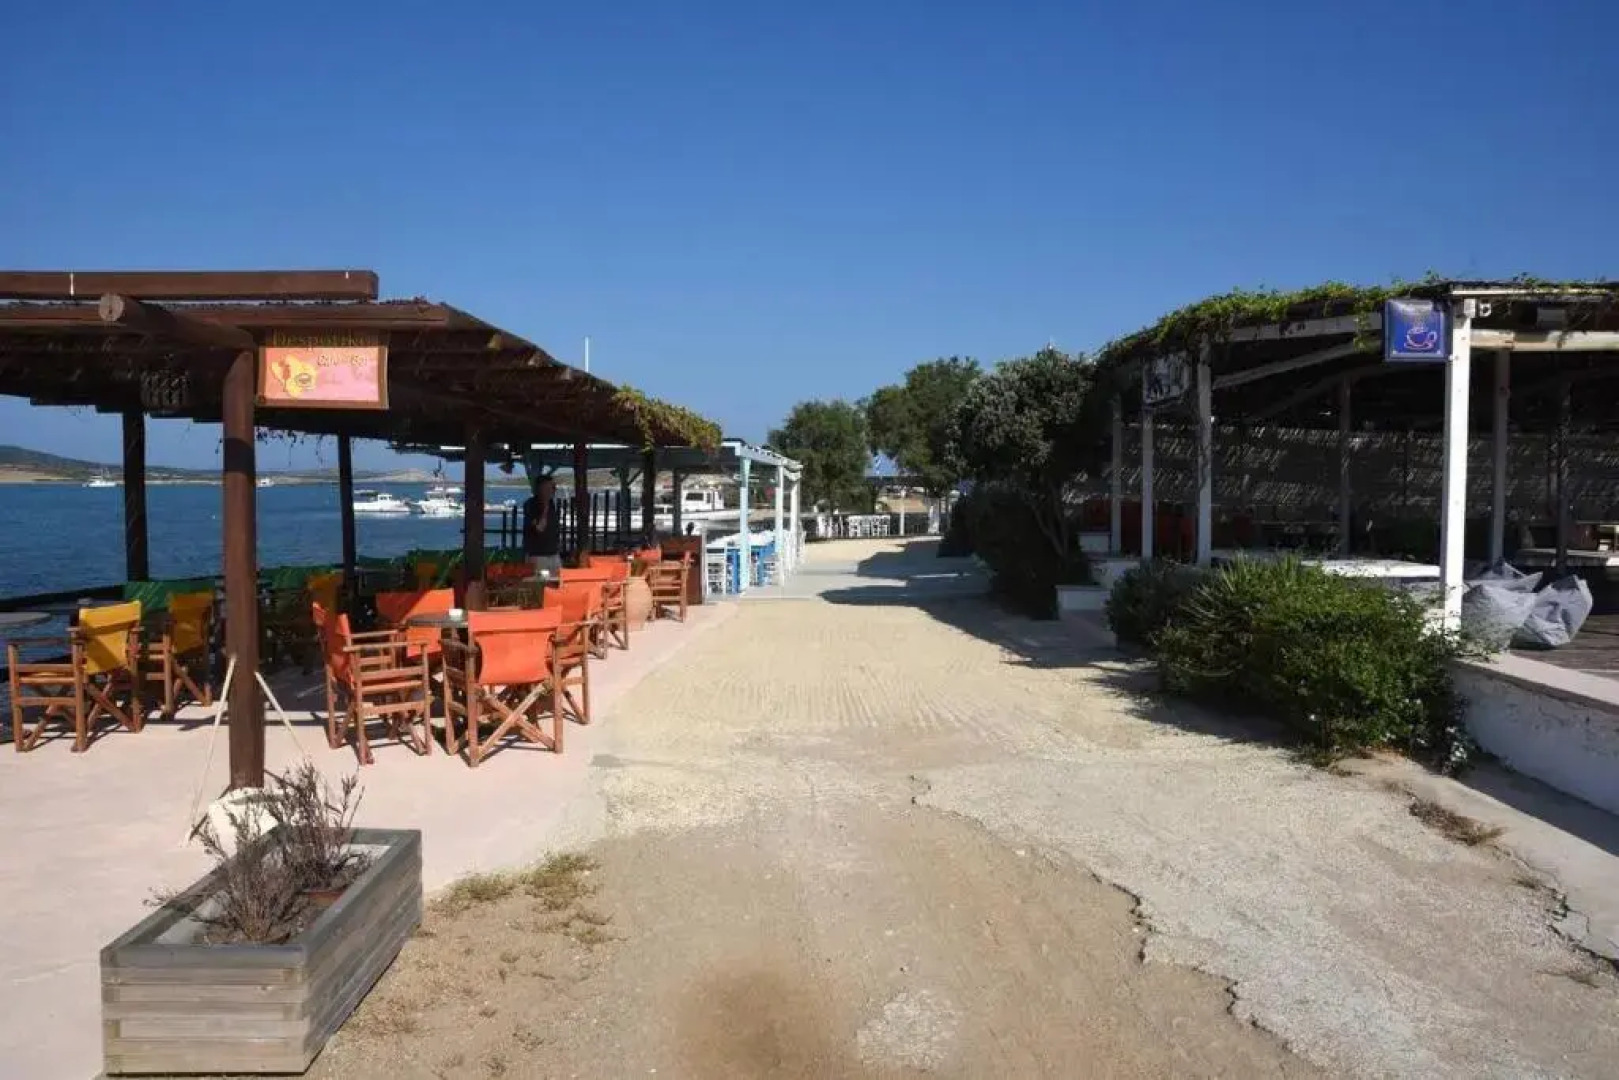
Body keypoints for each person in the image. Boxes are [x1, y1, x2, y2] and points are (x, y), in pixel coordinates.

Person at [523, 474, 562, 576]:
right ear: (539, 488)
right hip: (538, 556)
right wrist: (545, 508)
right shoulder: (531, 505)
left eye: (552, 488)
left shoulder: (551, 504)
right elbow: (540, 528)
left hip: (553, 554)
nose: (551, 491)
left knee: (556, 584)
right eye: (548, 488)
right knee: (540, 585)